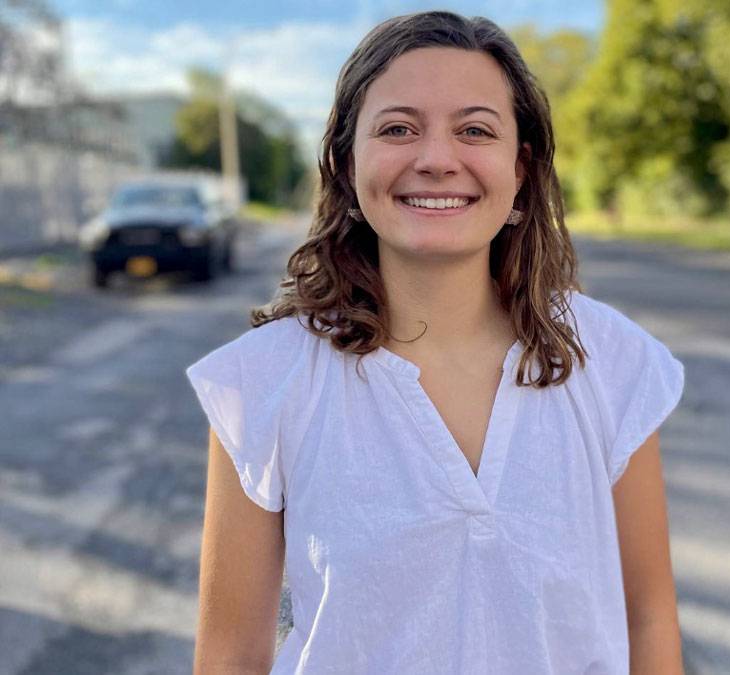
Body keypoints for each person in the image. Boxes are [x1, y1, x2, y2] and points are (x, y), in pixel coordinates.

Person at [186, 10, 686, 675]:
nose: (435, 160)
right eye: (398, 129)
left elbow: (647, 618)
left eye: (475, 130)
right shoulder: (261, 381)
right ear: (346, 162)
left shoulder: (612, 360)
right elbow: (229, 657)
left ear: (519, 166)